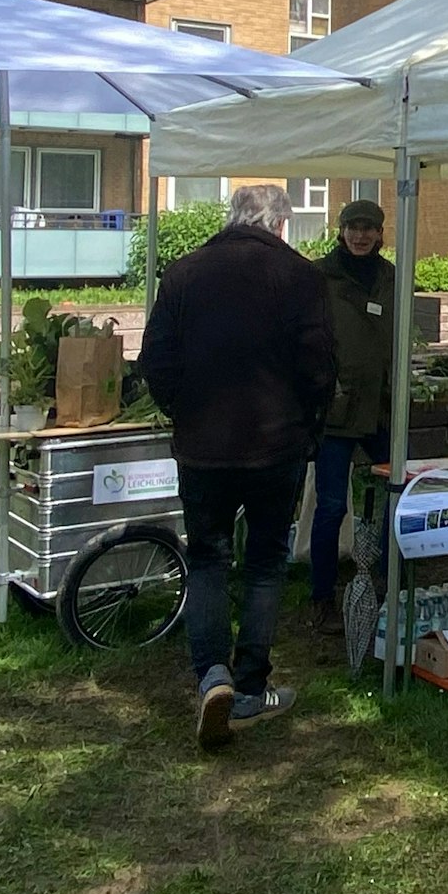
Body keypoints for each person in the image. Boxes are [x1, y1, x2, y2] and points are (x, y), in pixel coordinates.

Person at [140, 185, 335, 751]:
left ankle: (210, 677)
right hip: (277, 447)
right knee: (265, 565)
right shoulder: (301, 276)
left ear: (231, 218)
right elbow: (320, 366)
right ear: (280, 225)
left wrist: (185, 409)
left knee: (206, 559)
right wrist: (306, 423)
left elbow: (155, 361)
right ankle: (250, 688)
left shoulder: (182, 273)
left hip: (203, 447)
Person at [305, 199, 398, 636]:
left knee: (394, 495)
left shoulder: (390, 277)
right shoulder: (320, 278)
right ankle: (321, 597)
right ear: (340, 232)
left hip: (380, 407)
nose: (361, 235)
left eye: (369, 228)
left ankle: (379, 579)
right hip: (337, 409)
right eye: (353, 227)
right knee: (330, 507)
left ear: (381, 234)